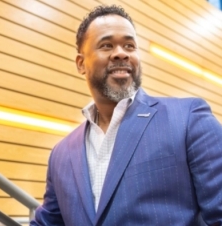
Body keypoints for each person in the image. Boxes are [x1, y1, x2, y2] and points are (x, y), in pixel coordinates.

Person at [30, 5, 222, 226]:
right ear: (81, 63)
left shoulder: (188, 118)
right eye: (107, 45)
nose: (121, 52)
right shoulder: (61, 154)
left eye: (129, 45)